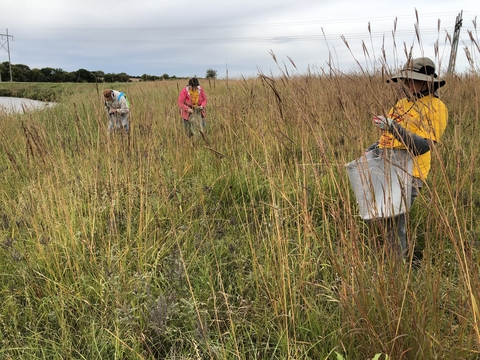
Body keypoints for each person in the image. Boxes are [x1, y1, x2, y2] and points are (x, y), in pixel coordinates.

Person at [366, 57, 448, 257]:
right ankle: (388, 255)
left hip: (412, 171)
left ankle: (400, 265)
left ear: (428, 81)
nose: (408, 83)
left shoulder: (436, 108)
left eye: (412, 79)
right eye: (406, 79)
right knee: (381, 216)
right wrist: (373, 148)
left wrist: (393, 126)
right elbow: (389, 137)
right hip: (387, 165)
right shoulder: (402, 103)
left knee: (396, 219)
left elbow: (423, 146)